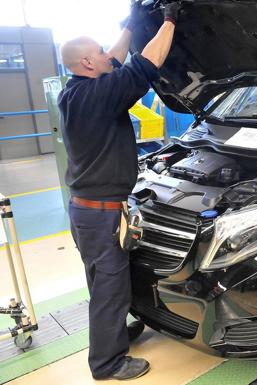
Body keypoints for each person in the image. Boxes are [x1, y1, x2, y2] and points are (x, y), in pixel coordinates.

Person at [58, 1, 182, 380]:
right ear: (88, 65)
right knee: (111, 287)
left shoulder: (75, 91)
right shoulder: (100, 95)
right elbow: (148, 61)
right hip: (101, 213)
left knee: (102, 282)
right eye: (99, 53)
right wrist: (170, 18)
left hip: (86, 211)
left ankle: (114, 333)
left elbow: (115, 55)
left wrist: (131, 21)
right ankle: (108, 363)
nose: (107, 55)